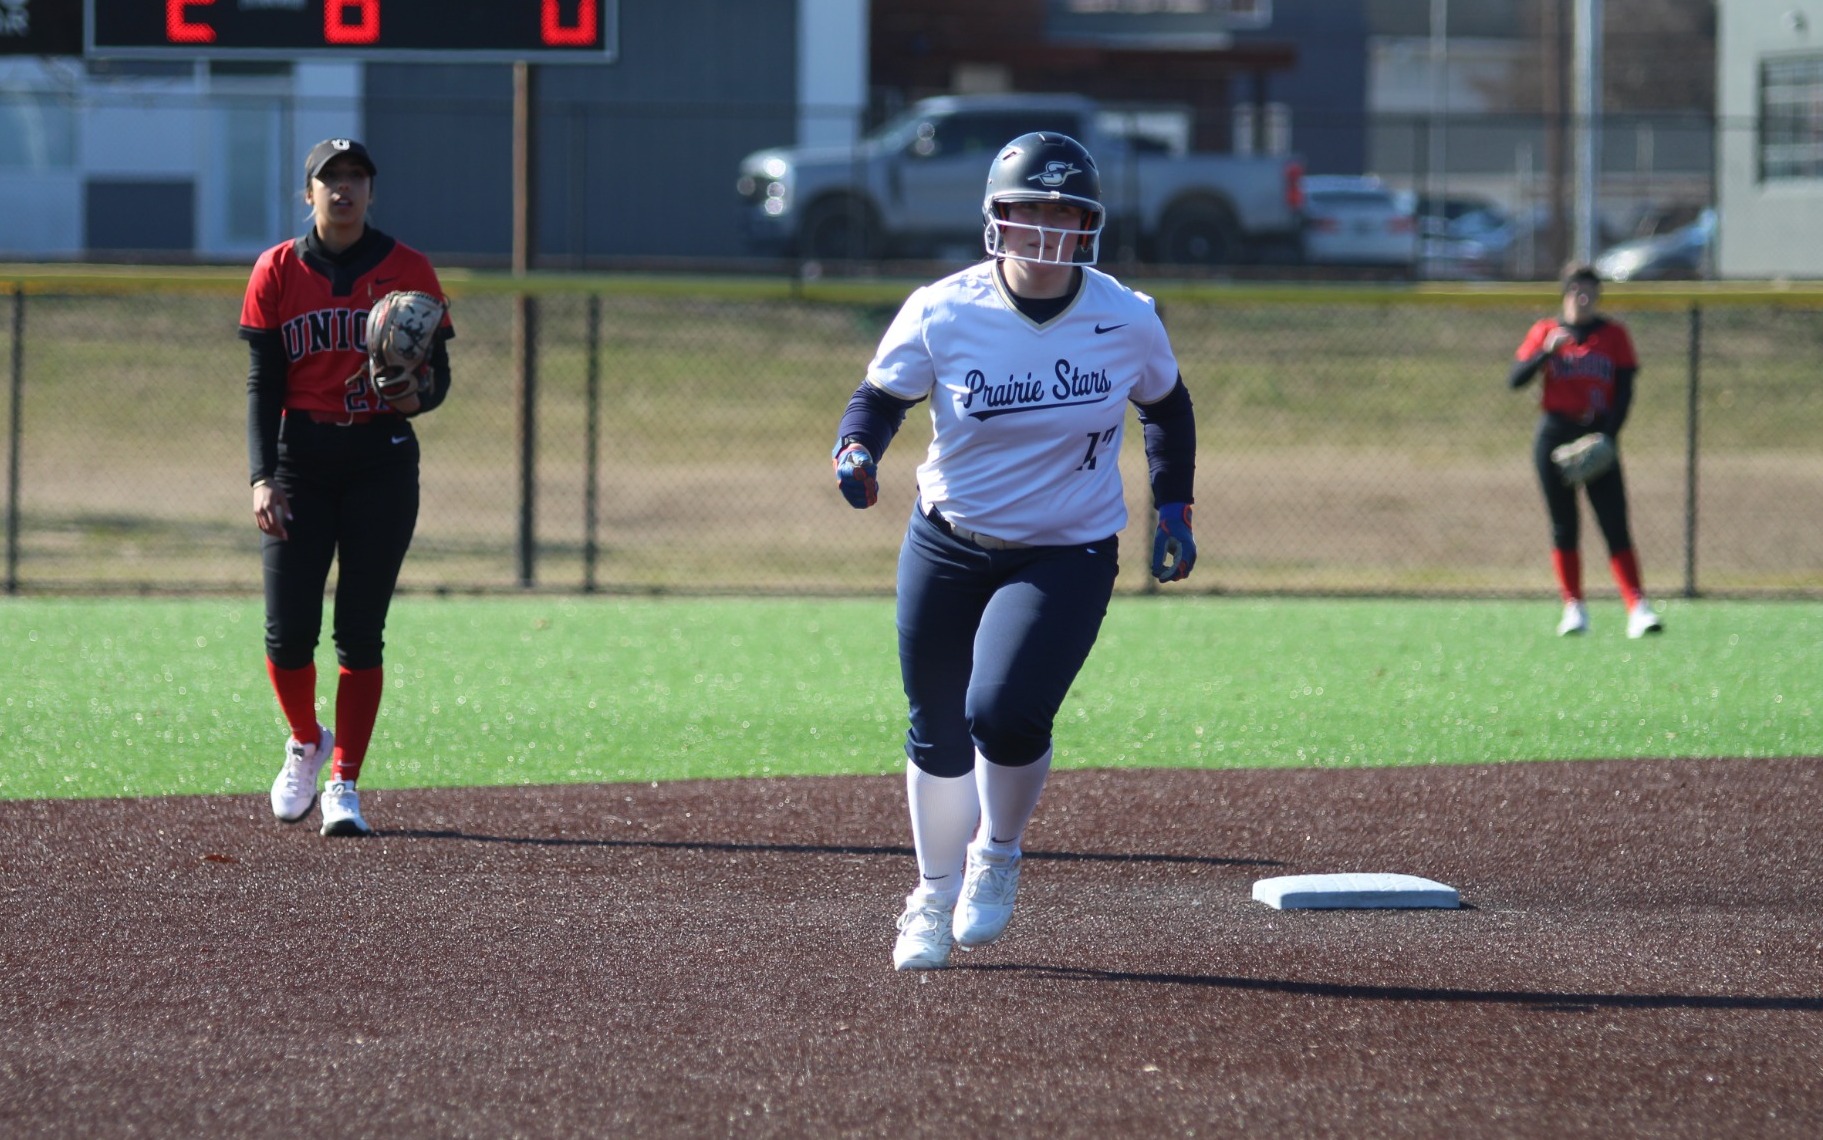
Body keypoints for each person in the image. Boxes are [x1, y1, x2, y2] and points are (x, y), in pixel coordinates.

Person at [830, 132, 1199, 970]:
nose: (1045, 228)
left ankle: (996, 854)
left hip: (1064, 549)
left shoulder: (1124, 315)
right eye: (1027, 209)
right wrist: (856, 451)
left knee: (999, 711)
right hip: (948, 540)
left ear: (1088, 225)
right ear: (996, 218)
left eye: (1063, 212)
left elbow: (1166, 409)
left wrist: (1172, 505)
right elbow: (879, 398)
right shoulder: (943, 307)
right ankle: (928, 892)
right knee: (934, 730)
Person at [242, 138, 454, 836]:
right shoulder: (275, 269)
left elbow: (438, 383)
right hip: (299, 458)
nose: (343, 188)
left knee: (360, 633)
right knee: (287, 633)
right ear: (308, 193)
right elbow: (263, 382)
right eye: (329, 179)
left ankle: (345, 785)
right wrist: (262, 475)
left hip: (379, 460)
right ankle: (306, 740)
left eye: (356, 177)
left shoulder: (407, 269)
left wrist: (411, 394)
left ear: (371, 190)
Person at [1510, 264, 1662, 638]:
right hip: (1554, 433)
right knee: (1564, 525)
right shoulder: (1546, 331)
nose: (1585, 294)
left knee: (1614, 524)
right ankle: (1574, 608)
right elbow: (1515, 379)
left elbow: (1625, 391)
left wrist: (1608, 437)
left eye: (1592, 288)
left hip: (1596, 432)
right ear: (1565, 291)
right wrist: (1546, 353)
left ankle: (1637, 607)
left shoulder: (1613, 335)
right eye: (1578, 287)